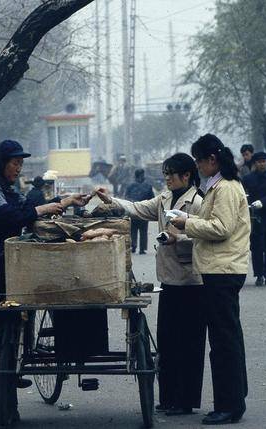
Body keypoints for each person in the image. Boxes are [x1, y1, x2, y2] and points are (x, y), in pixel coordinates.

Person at [0, 140, 88, 400]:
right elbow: (11, 216)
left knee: (9, 322)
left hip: (1, 267)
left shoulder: (7, 188)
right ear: (1, 163)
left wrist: (65, 201)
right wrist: (45, 208)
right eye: (15, 163)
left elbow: (24, 208)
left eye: (21, 164)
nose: (18, 168)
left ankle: (2, 378)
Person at [96, 153, 205, 416]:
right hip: (169, 281)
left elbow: (206, 236)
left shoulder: (199, 202)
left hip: (192, 283)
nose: (166, 178)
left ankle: (185, 400)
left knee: (188, 344)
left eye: (171, 174)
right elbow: (138, 208)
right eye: (165, 174)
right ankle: (168, 398)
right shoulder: (164, 199)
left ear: (187, 175)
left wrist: (177, 238)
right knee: (167, 343)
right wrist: (111, 200)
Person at [170, 134, 250, 425]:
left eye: (200, 161)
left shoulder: (226, 188)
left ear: (211, 160)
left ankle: (228, 405)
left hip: (222, 270)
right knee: (229, 336)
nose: (198, 167)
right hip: (220, 269)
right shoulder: (219, 186)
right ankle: (235, 397)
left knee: (223, 341)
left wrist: (186, 223)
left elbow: (221, 227)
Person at [242, 152, 266, 286]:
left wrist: (263, 202)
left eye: (263, 161)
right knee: (257, 247)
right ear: (254, 163)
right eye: (259, 162)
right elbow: (242, 193)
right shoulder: (248, 178)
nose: (261, 164)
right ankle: (259, 275)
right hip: (255, 216)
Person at [124, 169, 155, 254]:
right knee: (143, 231)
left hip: (133, 210)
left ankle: (133, 246)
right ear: (142, 175)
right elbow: (152, 199)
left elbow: (126, 198)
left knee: (133, 230)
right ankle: (142, 249)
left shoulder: (130, 186)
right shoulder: (148, 186)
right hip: (144, 211)